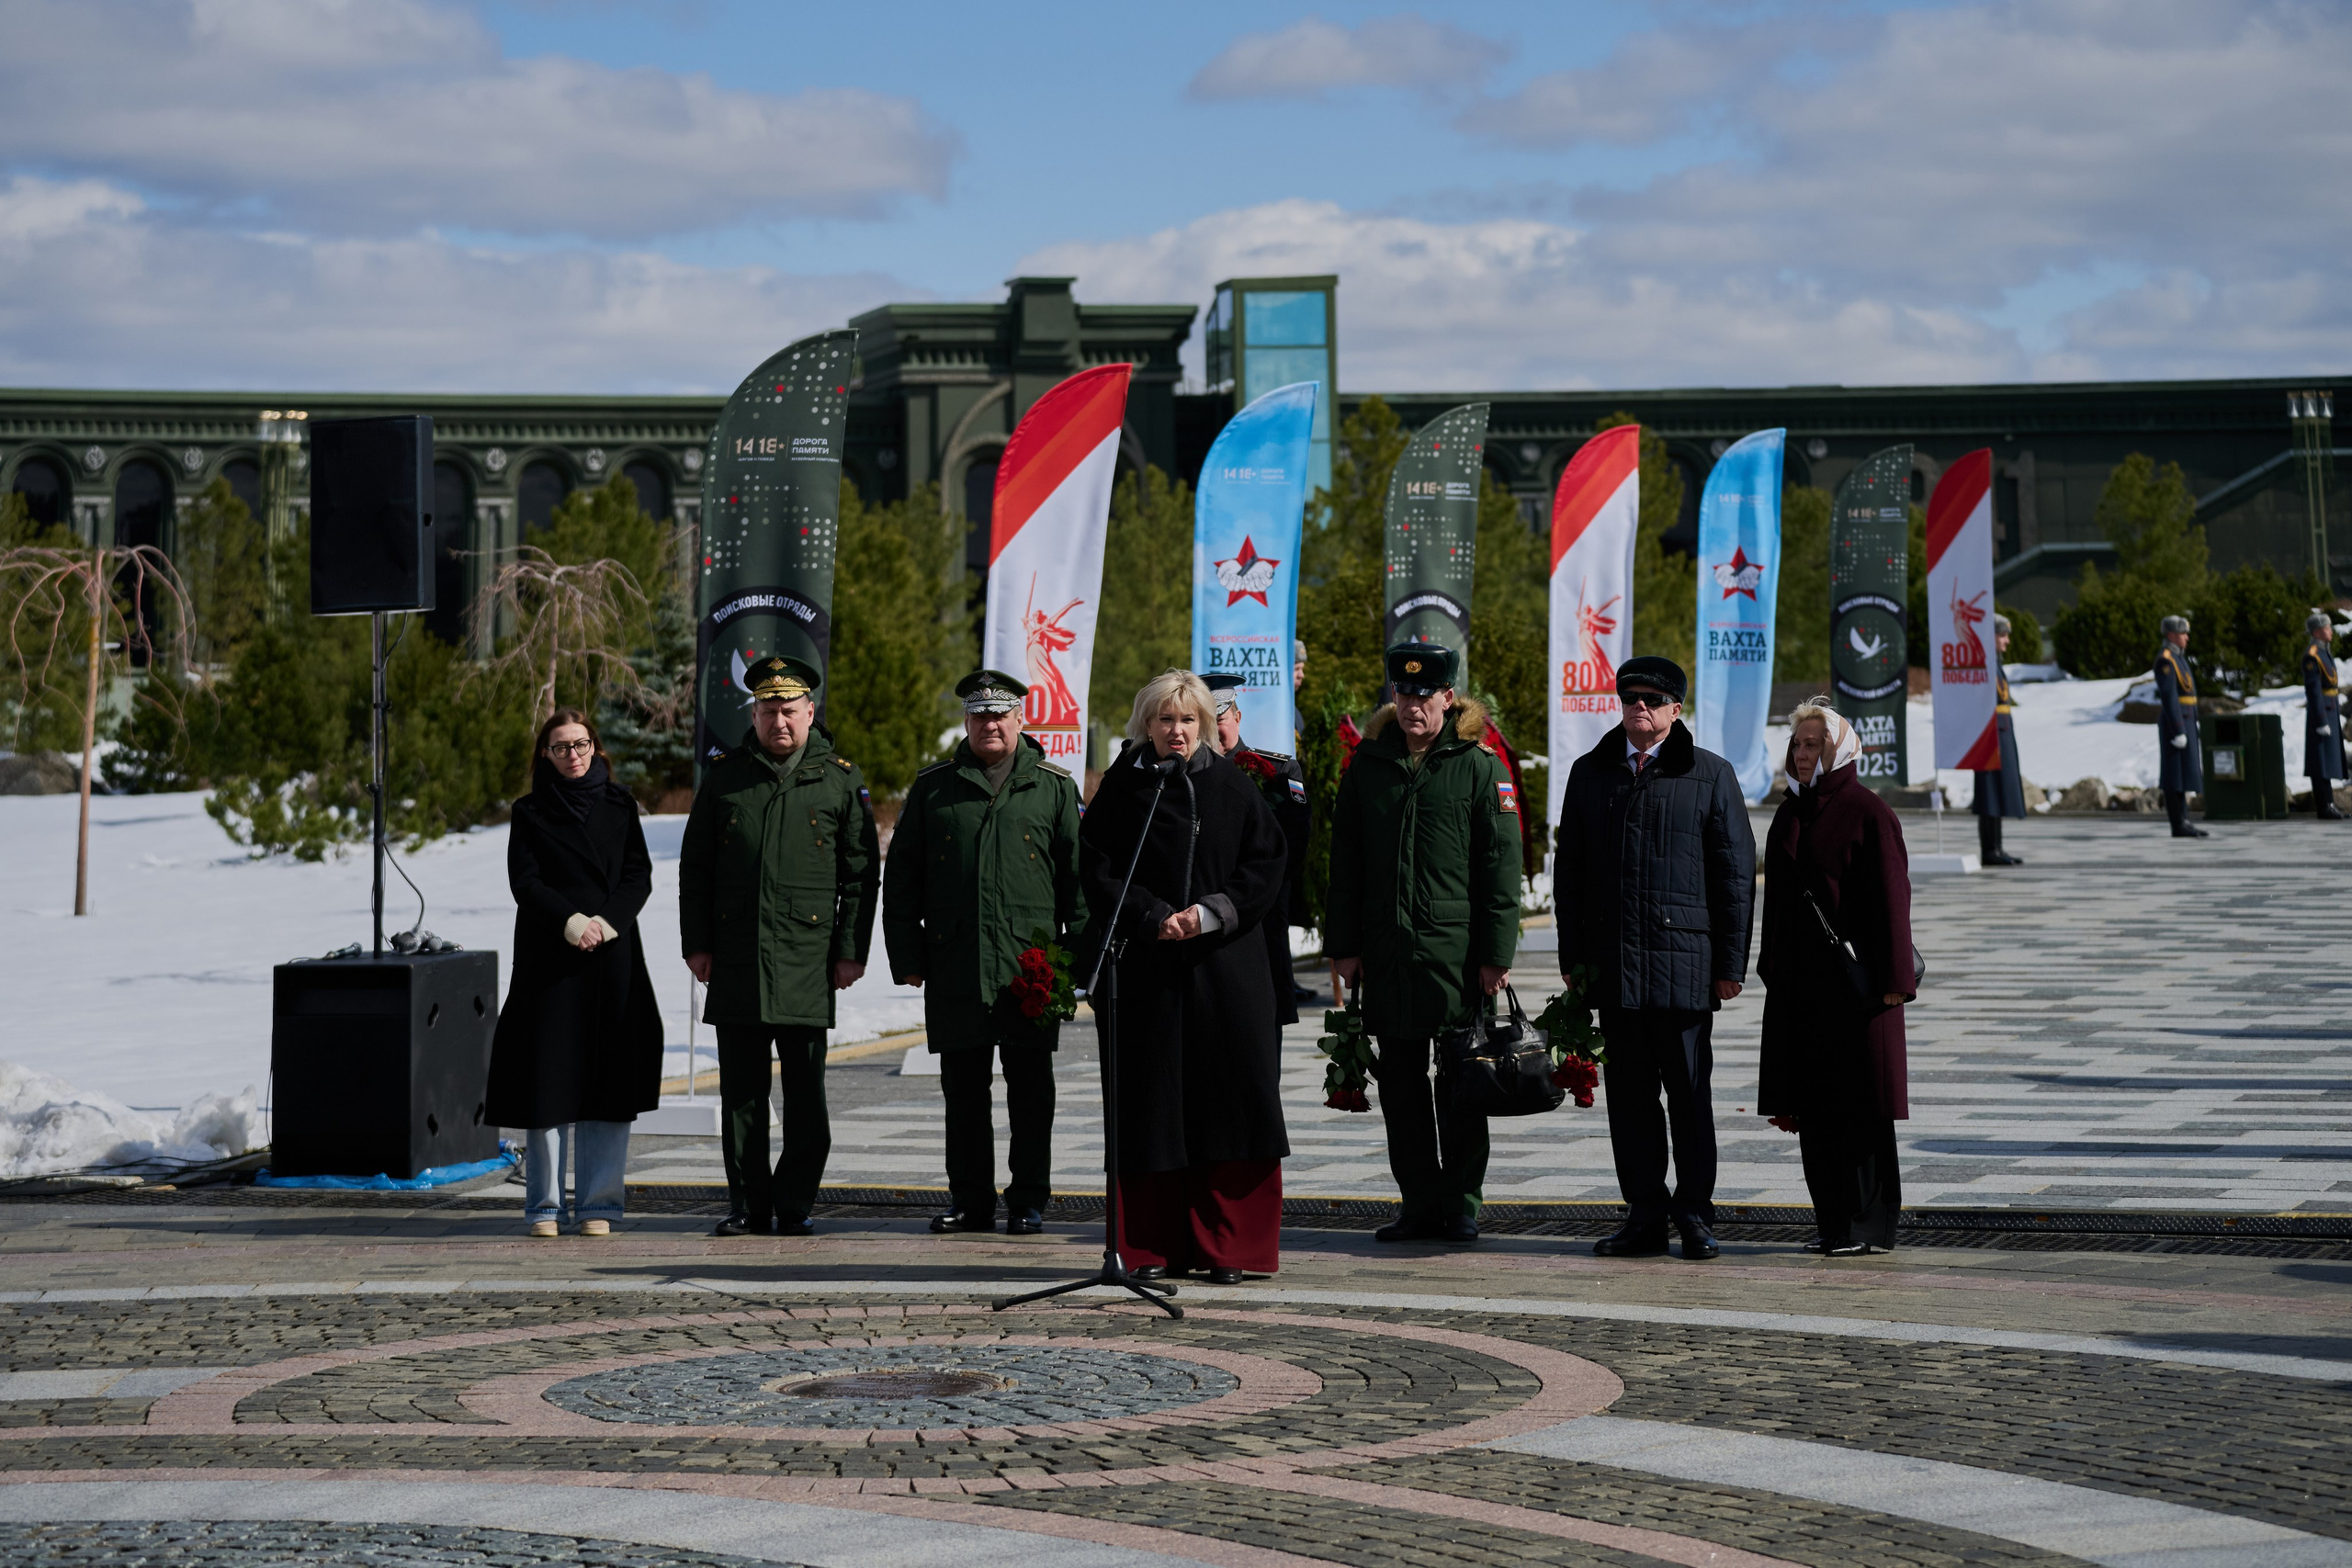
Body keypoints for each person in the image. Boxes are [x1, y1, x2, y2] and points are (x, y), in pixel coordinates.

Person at [1080, 669, 1291, 1284]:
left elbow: (1266, 863)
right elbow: (1097, 866)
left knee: (1229, 1105)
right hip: (1148, 973)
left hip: (1225, 971)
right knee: (1153, 1109)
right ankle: (1151, 1244)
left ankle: (1229, 1246)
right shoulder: (1123, 788)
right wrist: (1150, 916)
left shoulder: (1231, 786)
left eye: (1189, 720)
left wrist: (1208, 915)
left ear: (1204, 725)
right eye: (1166, 720)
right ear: (1146, 724)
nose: (1177, 731)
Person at [1554, 655, 1755, 1261]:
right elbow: (1570, 874)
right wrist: (1574, 959)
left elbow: (1735, 874)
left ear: (1676, 709)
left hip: (1686, 971)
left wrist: (1730, 964)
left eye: (1653, 699)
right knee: (1631, 1103)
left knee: (1691, 1098)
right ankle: (1643, 1214)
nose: (1640, 707)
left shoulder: (1711, 774)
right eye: (1631, 697)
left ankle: (1695, 1213)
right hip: (1615, 972)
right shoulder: (1590, 773)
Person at [1325, 643, 1521, 1246]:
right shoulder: (1368, 765)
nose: (1413, 706)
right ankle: (1417, 1200)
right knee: (1400, 1086)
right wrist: (1344, 946)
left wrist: (1497, 953)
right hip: (1387, 953)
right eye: (1403, 695)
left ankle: (1461, 1201)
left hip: (1456, 956)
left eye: (1425, 696)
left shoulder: (1478, 764)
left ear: (1447, 697)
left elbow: (1501, 862)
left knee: (1461, 1082)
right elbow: (1347, 864)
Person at [679, 654, 880, 1237]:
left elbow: (860, 875)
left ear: (811, 712)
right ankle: (748, 1204)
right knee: (741, 1093)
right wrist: (698, 944)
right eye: (768, 711)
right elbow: (698, 868)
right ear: (756, 713)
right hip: (738, 957)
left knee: (806, 1096)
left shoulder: (839, 778)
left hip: (807, 960)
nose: (779, 722)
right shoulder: (725, 776)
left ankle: (793, 1203)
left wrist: (851, 950)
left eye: (789, 711)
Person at [882, 669, 1085, 1236]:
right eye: (979, 715)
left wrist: (1080, 961)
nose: (990, 724)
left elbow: (1078, 883)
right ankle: (971, 1200)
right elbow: (901, 881)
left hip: (1032, 967)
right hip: (957, 963)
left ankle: (1028, 1199)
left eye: (1001, 715)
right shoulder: (933, 788)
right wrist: (908, 958)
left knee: (1031, 1092)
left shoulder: (1053, 786)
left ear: (1021, 718)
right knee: (963, 1092)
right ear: (967, 721)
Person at [486, 708, 664, 1237]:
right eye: (561, 747)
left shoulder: (620, 804)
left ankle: (599, 1206)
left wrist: (606, 924)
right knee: (548, 1081)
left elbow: (639, 875)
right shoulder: (530, 811)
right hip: (551, 959)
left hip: (611, 956)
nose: (573, 755)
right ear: (545, 753)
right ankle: (543, 1206)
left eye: (581, 744)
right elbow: (526, 881)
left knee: (608, 1080)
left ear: (596, 747)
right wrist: (570, 922)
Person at [1755, 704, 1915, 1257]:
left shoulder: (1868, 812)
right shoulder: (1790, 814)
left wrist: (1895, 980)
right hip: (1801, 989)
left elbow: (1893, 902)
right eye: (1797, 745)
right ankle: (1830, 1221)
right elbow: (1775, 903)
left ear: (1839, 748)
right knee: (1815, 1108)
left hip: (1857, 989)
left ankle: (1866, 1225)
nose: (1802, 755)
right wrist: (1768, 965)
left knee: (1861, 1109)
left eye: (1813, 745)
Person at [1204, 671, 1313, 1021]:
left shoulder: (1276, 773)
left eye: (1219, 720)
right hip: (1204, 925)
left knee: (1263, 1029)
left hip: (1261, 919)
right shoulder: (1182, 777)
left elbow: (1293, 850)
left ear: (1237, 717)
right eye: (1204, 722)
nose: (1214, 731)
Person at [1973, 614, 2027, 866]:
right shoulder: (1984, 663)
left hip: (2001, 731)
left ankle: (1997, 846)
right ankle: (1989, 849)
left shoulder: (1994, 662)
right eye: (2002, 635)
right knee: (1989, 792)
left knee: (1998, 790)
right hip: (1990, 733)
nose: (2006, 641)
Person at [2154, 615, 2208, 839]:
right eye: (2183, 633)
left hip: (2186, 720)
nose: (2187, 637)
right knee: (2174, 776)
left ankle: (2184, 820)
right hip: (2175, 722)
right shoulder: (2166, 660)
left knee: (2184, 774)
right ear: (2171, 635)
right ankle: (2178, 823)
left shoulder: (2179, 658)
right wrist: (2178, 728)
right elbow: (2169, 696)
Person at [2302, 612, 2344, 820]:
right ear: (2318, 631)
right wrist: (2320, 720)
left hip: (2330, 710)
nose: (2331, 631)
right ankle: (2324, 806)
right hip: (2322, 714)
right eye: (2328, 628)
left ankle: (2329, 803)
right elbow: (2314, 690)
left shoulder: (2325, 653)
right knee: (2320, 762)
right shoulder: (2313, 655)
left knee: (2327, 760)